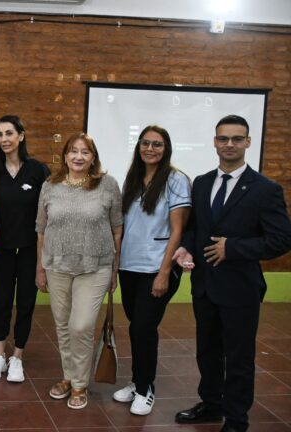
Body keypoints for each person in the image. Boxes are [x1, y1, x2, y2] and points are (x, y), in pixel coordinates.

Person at [173, 115, 291, 432]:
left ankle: (237, 419)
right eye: (223, 138)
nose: (229, 144)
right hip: (205, 287)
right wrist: (186, 247)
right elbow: (196, 228)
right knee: (207, 352)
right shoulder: (201, 182)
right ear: (214, 141)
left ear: (248, 142)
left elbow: (281, 240)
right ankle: (212, 404)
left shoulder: (265, 189)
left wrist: (234, 248)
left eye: (237, 139)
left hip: (241, 288)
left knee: (239, 358)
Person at [35, 132, 122, 409]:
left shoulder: (107, 185)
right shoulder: (50, 185)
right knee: (62, 326)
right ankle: (69, 377)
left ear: (93, 157)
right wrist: (40, 268)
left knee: (80, 326)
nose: (78, 156)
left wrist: (114, 270)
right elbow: (41, 229)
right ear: (65, 155)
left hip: (95, 267)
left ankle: (80, 384)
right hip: (57, 266)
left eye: (85, 152)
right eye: (73, 151)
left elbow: (117, 229)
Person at [112, 125, 191, 415]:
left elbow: (178, 230)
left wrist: (163, 272)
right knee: (136, 327)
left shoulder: (176, 180)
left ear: (166, 148)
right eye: (145, 143)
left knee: (144, 327)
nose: (150, 148)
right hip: (130, 266)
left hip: (156, 267)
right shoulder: (132, 180)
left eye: (157, 144)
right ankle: (137, 381)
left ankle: (146, 389)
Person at [0, 115, 50, 383]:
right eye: (0, 135)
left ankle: (17, 357)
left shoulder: (37, 169)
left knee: (25, 304)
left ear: (21, 136)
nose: (4, 140)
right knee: (1, 303)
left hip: (29, 251)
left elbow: (47, 212)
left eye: (9, 133)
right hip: (0, 250)